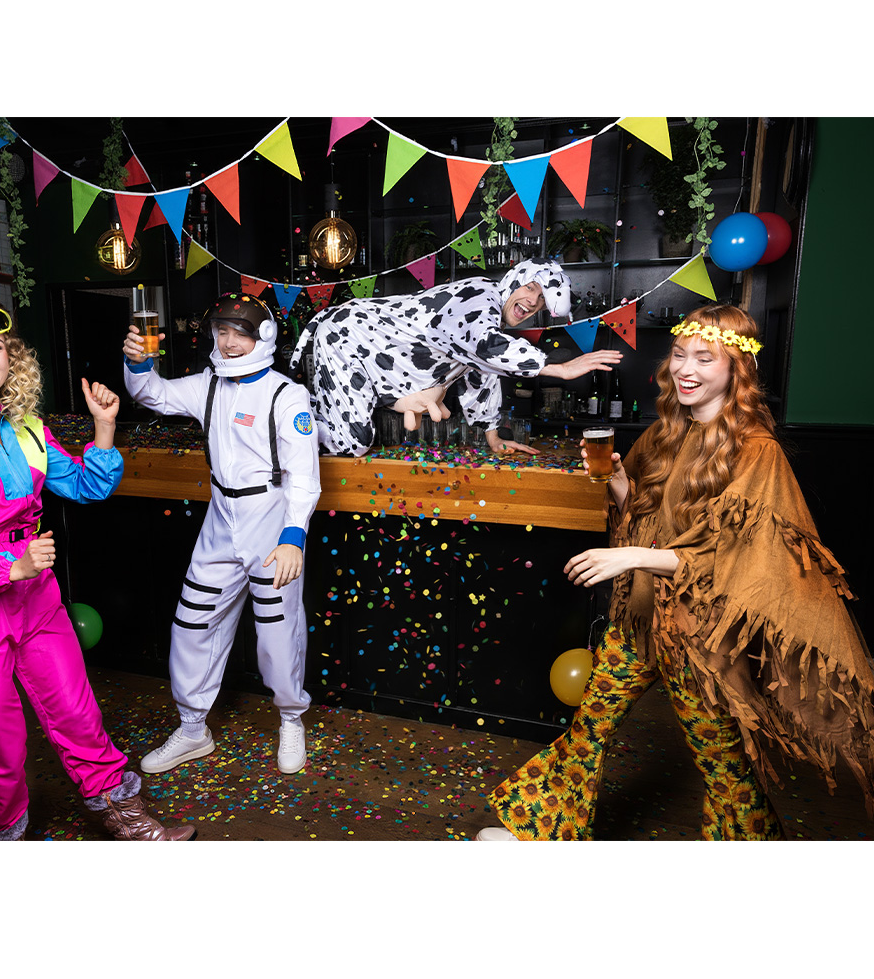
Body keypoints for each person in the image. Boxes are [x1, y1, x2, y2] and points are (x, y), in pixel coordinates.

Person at [477, 303, 874, 840]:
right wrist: (618, 481)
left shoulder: (758, 452)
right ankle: (537, 829)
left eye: (705, 359)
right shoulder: (668, 432)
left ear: (737, 368)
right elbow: (644, 518)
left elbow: (730, 559)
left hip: (701, 638)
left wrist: (633, 557)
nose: (686, 369)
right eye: (680, 355)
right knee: (590, 728)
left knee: (722, 766)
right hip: (640, 621)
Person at [0, 302, 194, 841]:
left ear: (12, 358)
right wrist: (10, 565)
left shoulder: (30, 428)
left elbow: (87, 486)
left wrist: (105, 428)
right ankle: (3, 834)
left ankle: (120, 811)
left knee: (77, 710)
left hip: (37, 596)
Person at [122, 293, 321, 777]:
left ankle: (290, 718)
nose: (229, 343)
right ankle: (193, 728)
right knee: (193, 623)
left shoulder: (286, 395)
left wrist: (293, 536)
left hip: (270, 522)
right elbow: (153, 395)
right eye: (222, 331)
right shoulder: (207, 385)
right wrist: (139, 363)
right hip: (220, 520)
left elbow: (304, 475)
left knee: (277, 632)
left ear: (264, 337)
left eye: (240, 333)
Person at [288, 257, 623, 457]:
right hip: (348, 335)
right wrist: (557, 368)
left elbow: (483, 373)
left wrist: (493, 437)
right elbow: (487, 347)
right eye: (530, 288)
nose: (532, 302)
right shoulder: (480, 295)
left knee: (355, 440)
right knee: (352, 443)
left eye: (542, 302)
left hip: (374, 357)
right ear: (513, 281)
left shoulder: (490, 322)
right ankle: (288, 425)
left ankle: (300, 420)